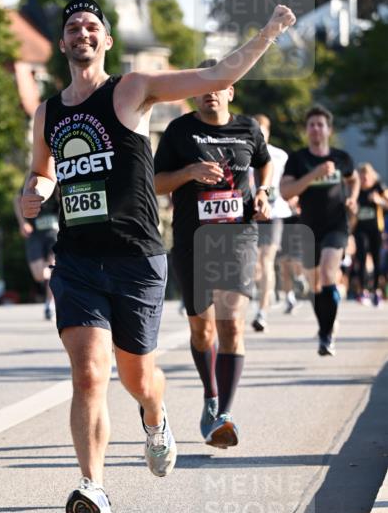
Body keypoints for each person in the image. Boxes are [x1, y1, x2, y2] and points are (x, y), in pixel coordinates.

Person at [22, 0, 295, 513]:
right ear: (62, 43)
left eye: (91, 26)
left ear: (104, 41)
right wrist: (31, 193)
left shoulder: (133, 88)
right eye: (73, 26)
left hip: (136, 259)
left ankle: (154, 415)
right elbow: (42, 172)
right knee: (87, 373)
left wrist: (269, 32)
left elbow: (218, 72)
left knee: (138, 377)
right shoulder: (48, 112)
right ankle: (94, 487)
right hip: (77, 259)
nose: (81, 32)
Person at [154, 64, 273, 451]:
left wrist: (263, 192)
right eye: (203, 86)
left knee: (232, 323)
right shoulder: (179, 132)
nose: (211, 92)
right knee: (202, 329)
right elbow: (155, 183)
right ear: (193, 93)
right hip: (193, 240)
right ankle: (210, 395)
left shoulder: (248, 129)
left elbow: (264, 161)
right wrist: (189, 171)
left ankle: (223, 412)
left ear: (230, 92)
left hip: (237, 235)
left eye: (219, 86)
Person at [281, 106, 359, 356]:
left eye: (320, 124)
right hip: (308, 227)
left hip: (336, 225)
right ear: (307, 130)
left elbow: (353, 178)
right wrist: (314, 174)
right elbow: (286, 192)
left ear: (329, 129)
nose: (316, 128)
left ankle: (326, 337)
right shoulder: (298, 159)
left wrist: (353, 198)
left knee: (328, 273)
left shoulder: (341, 157)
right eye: (311, 124)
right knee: (315, 285)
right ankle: (325, 326)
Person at [250, 114, 290, 333]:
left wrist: (292, 197)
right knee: (255, 264)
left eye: (261, 131)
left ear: (268, 132)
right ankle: (266, 292)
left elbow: (287, 182)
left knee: (266, 260)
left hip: (274, 213)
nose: (257, 135)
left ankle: (262, 312)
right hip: (250, 215)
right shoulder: (243, 152)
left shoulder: (280, 156)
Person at [13, 187, 59, 319]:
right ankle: (54, 284)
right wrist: (22, 223)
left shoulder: (59, 177)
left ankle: (49, 305)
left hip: (54, 233)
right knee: (39, 275)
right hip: (36, 234)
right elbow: (17, 199)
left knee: (53, 268)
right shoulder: (35, 177)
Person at [353, 162, 388, 306]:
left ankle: (376, 291)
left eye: (366, 177)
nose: (364, 180)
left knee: (376, 260)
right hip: (360, 229)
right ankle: (363, 291)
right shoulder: (356, 190)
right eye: (361, 177)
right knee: (361, 257)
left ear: (371, 176)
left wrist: (378, 200)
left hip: (376, 229)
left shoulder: (378, 187)